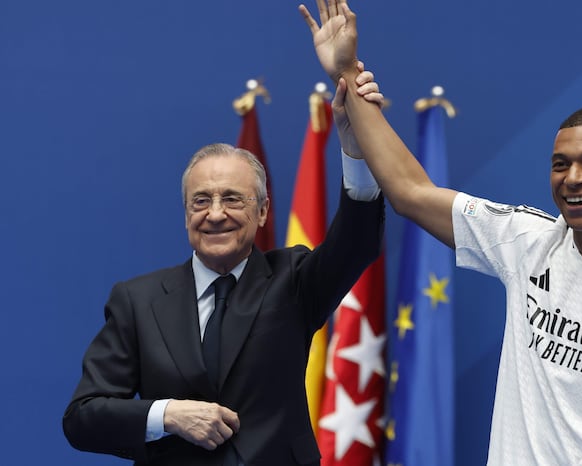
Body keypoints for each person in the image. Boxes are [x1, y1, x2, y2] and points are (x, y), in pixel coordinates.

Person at [299, 0, 582, 465]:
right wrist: (347, 73)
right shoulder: (528, 240)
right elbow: (411, 192)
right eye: (560, 164)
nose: (574, 179)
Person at [63, 69, 386, 466]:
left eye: (233, 199)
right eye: (201, 201)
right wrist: (167, 415)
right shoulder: (138, 300)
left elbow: (357, 242)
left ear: (263, 211)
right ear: (186, 215)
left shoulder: (294, 281)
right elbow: (83, 417)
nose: (215, 214)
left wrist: (356, 147)